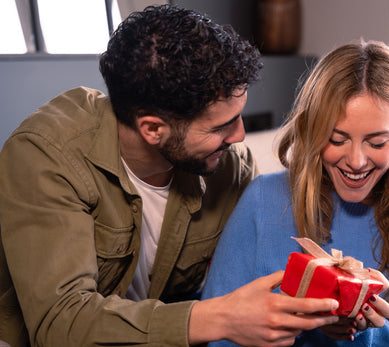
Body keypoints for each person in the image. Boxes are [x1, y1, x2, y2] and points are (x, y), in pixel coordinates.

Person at [0, 5, 342, 347]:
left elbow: (268, 267)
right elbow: (62, 324)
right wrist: (220, 318)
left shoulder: (229, 169)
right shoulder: (48, 155)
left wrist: (323, 309)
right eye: (220, 126)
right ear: (152, 129)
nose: (239, 136)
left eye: (239, 117)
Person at [202, 40, 389, 346]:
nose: (356, 161)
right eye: (336, 139)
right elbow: (218, 334)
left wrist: (371, 334)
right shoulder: (263, 201)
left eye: (377, 142)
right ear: (310, 130)